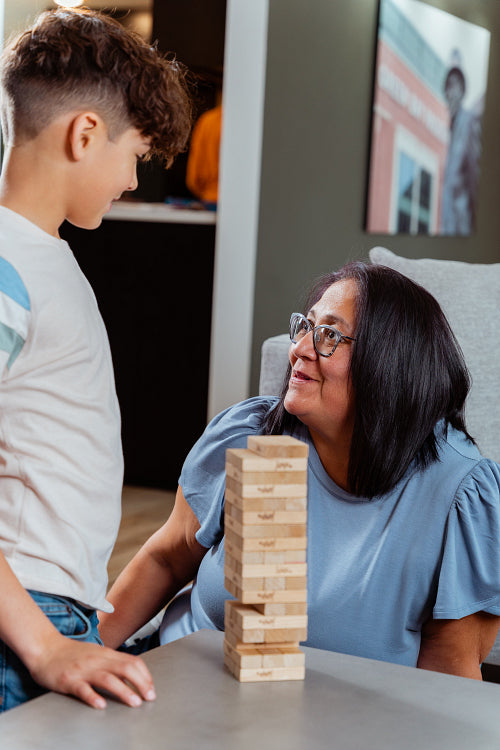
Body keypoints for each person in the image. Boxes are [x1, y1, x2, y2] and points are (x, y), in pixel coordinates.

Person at [99, 261, 500, 679]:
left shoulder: (460, 496)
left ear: (389, 362)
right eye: (305, 327)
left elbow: (447, 679)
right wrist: (82, 655)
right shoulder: (252, 436)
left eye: (329, 335)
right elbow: (167, 558)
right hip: (176, 680)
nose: (301, 348)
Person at [0, 8, 191, 711]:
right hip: (22, 623)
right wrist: (46, 644)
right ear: (85, 134)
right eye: (135, 156)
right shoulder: (8, 269)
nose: (133, 181)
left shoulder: (43, 259)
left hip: (50, 609)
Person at [440, 60, 482, 235]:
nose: (451, 92)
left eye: (455, 86)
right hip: (448, 227)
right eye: (448, 87)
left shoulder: (469, 122)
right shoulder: (452, 129)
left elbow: (474, 176)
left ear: (462, 90)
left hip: (461, 225)